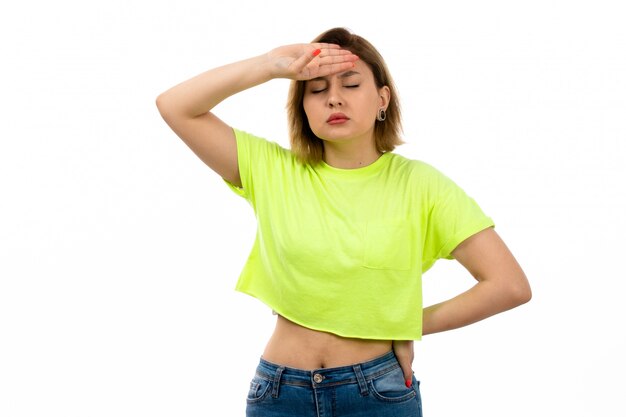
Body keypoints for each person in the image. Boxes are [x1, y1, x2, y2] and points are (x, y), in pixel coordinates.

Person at [156, 27, 531, 417]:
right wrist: (269, 65)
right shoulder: (272, 170)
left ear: (382, 98)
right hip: (280, 394)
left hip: (377, 393)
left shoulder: (421, 185)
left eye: (351, 84)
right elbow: (175, 106)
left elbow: (508, 285)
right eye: (316, 90)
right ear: (303, 107)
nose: (333, 97)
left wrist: (406, 324)